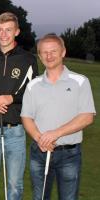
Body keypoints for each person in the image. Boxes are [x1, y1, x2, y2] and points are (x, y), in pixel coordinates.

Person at [21, 33, 96, 200]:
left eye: (53, 51)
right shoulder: (33, 85)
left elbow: (87, 116)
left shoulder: (80, 81)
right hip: (39, 152)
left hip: (69, 154)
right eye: (44, 52)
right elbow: (26, 117)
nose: (49, 56)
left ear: (63, 52)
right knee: (39, 197)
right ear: (39, 56)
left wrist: (55, 134)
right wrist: (40, 139)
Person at [0, 12, 38, 200]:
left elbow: (33, 90)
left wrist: (11, 98)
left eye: (8, 30)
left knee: (14, 185)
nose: (3, 35)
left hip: (16, 130)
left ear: (17, 32)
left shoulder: (28, 59)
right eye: (0, 30)